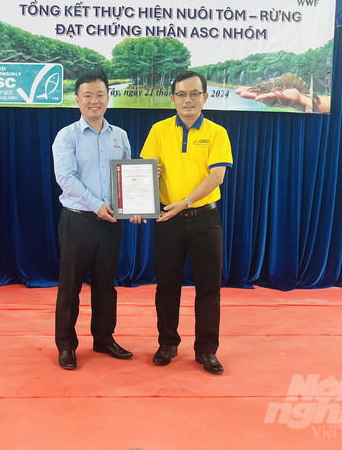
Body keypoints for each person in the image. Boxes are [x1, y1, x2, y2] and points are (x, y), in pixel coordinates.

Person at [140, 71, 233, 374]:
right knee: (167, 286)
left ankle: (206, 350)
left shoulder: (217, 132)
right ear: (173, 98)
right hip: (168, 220)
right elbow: (146, 171)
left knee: (209, 287)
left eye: (195, 94)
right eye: (182, 94)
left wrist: (187, 202)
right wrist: (145, 184)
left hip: (205, 218)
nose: (188, 100)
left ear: (206, 97)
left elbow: (216, 176)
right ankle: (167, 343)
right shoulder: (159, 130)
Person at [52, 69, 134, 370]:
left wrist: (134, 205)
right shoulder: (67, 136)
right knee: (70, 285)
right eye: (88, 95)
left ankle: (103, 338)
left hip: (111, 222)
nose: (94, 101)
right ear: (77, 100)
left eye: (100, 94)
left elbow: (125, 178)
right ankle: (66, 345)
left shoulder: (120, 136)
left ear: (108, 97)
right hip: (78, 220)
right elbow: (66, 178)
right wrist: (97, 204)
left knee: (105, 285)